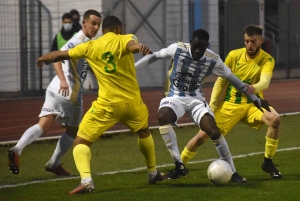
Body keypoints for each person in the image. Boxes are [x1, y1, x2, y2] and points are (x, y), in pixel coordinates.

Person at [37, 15, 164, 195]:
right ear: (119, 29)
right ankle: (153, 172)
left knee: (80, 141)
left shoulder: (90, 46)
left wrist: (45, 57)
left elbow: (59, 54)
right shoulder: (126, 38)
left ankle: (87, 181)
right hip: (132, 103)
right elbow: (131, 46)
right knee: (144, 132)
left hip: (107, 106)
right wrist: (139, 47)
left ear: (103, 30)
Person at [134, 29, 271, 183]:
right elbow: (155, 56)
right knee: (162, 116)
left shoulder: (213, 59)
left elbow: (235, 81)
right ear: (191, 42)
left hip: (196, 101)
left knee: (213, 131)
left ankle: (233, 172)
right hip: (175, 97)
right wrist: (133, 68)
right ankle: (178, 163)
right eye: (195, 47)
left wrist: (255, 99)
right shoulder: (178, 49)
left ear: (207, 46)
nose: (198, 51)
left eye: (202, 48)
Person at [179, 25, 282, 179]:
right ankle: (179, 165)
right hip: (230, 105)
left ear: (261, 40)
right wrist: (212, 106)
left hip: (253, 105)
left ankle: (268, 162)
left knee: (275, 119)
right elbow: (221, 82)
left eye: (253, 41)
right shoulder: (234, 56)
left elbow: (265, 81)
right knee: (202, 137)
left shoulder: (267, 59)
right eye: (246, 41)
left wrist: (253, 88)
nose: (249, 45)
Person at [7, 9, 102, 176]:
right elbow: (57, 56)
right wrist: (64, 80)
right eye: (93, 23)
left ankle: (17, 148)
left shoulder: (87, 41)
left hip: (54, 88)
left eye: (98, 24)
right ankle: (54, 163)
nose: (96, 27)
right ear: (84, 23)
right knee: (73, 131)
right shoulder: (79, 40)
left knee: (43, 125)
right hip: (69, 92)